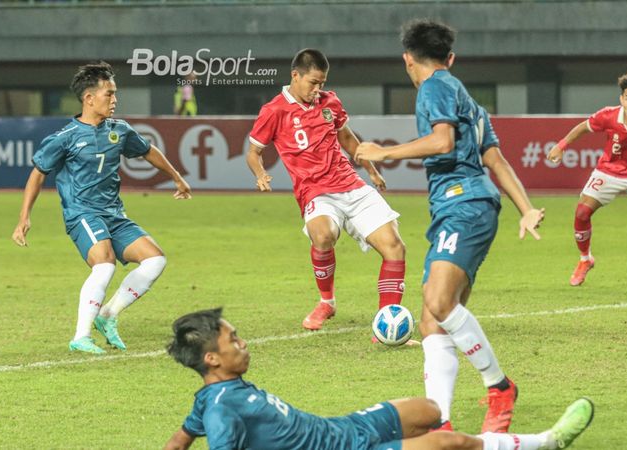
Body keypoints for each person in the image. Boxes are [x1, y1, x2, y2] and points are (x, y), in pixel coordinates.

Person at [354, 20, 545, 433]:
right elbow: (495, 159)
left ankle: (499, 387)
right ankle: (439, 423)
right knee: (432, 321)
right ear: (450, 57)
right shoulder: (468, 99)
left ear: (407, 58)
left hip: (464, 204)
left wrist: (385, 153)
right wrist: (525, 208)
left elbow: (441, 142)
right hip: (465, 205)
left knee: (439, 302)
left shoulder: (435, 87)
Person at [163, 308, 594, 450]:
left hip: (341, 429)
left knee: (429, 411)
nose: (244, 342)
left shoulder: (210, 399)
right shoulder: (221, 411)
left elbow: (180, 439)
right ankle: (547, 441)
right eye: (234, 339)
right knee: (451, 442)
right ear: (212, 358)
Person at [11, 61, 192, 354]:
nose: (114, 99)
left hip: (114, 214)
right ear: (89, 98)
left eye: (115, 93)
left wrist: (178, 179)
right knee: (105, 263)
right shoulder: (65, 137)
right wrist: (24, 218)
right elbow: (37, 173)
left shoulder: (119, 131)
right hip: (82, 214)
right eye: (109, 94)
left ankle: (108, 315)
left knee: (156, 260)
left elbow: (148, 151)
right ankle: (81, 335)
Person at [246, 49, 408, 334]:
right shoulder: (274, 110)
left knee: (395, 247)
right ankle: (327, 302)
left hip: (351, 185)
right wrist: (260, 174)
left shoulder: (329, 101)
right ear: (295, 76)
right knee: (323, 235)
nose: (317, 89)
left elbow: (346, 137)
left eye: (322, 83)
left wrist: (370, 170)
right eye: (313, 83)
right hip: (315, 191)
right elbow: (253, 152)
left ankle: (387, 326)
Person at [546, 69, 627, 287]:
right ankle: (585, 259)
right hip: (609, 172)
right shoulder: (608, 115)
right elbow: (583, 128)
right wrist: (561, 146)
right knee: (581, 212)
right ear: (621, 100)